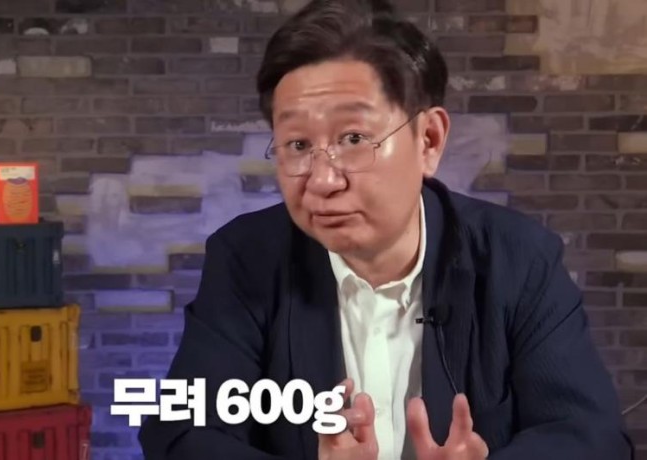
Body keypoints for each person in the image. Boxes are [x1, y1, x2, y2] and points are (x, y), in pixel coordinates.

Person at [138, 0, 633, 458]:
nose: (323, 180)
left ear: (429, 140)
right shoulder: (247, 257)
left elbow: (592, 437)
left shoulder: (518, 258)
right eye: (297, 145)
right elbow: (181, 431)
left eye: (354, 138)